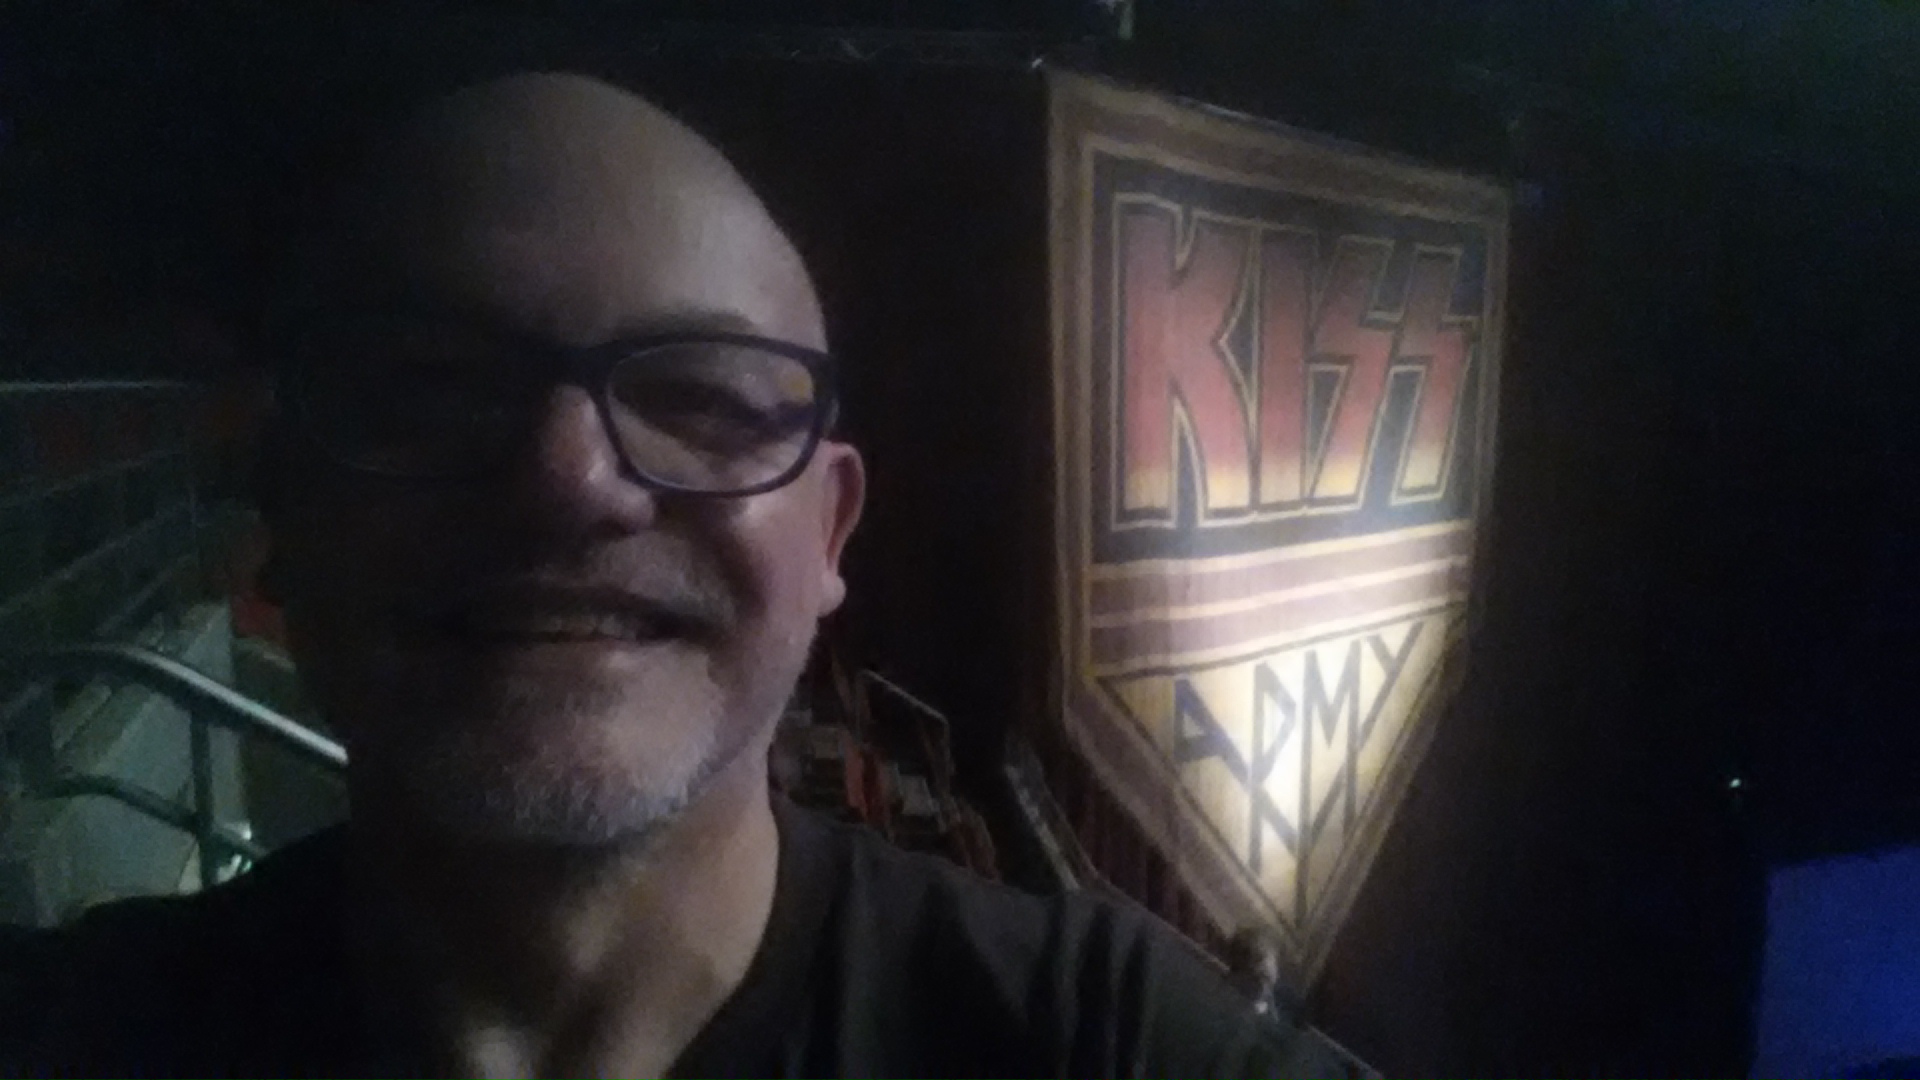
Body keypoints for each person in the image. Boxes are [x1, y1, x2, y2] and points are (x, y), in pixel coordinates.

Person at [0, 73, 1313, 1078]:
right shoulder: (64, 1033)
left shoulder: (1105, 1042)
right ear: (279, 506)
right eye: (428, 387)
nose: (569, 479)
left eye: (706, 397)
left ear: (831, 534)